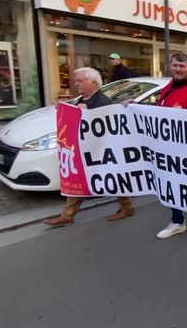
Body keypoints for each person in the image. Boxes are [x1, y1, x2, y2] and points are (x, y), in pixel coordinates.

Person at [43, 67, 136, 227]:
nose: (76, 84)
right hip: (85, 150)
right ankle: (68, 215)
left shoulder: (102, 102)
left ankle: (127, 208)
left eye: (80, 81)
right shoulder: (82, 99)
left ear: (93, 83)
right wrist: (66, 109)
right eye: (76, 80)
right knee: (81, 180)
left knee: (114, 179)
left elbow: (106, 128)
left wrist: (88, 114)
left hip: (100, 151)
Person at [154, 52, 187, 239]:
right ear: (170, 66)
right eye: (175, 65)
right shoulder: (167, 87)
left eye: (182, 66)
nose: (178, 69)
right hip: (168, 148)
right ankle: (178, 221)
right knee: (172, 183)